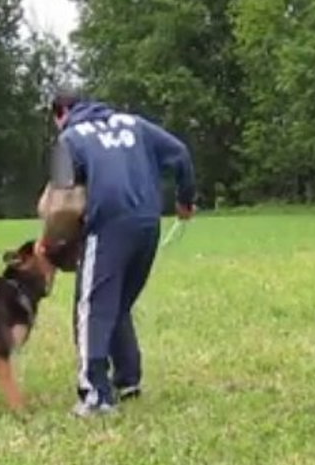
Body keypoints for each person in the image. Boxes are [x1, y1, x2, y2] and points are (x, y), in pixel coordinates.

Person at [36, 88, 196, 417]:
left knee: (92, 307)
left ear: (60, 113)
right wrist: (185, 200)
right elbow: (180, 153)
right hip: (148, 222)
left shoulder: (69, 139)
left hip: (108, 225)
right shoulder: (135, 123)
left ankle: (96, 396)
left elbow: (60, 203)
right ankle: (127, 380)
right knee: (118, 302)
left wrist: (50, 243)